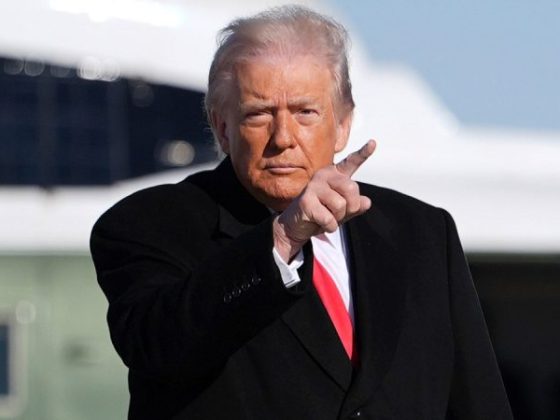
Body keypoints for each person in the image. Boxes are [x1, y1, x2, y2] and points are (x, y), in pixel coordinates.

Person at [90, 6, 512, 419]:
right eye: (259, 114)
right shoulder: (148, 224)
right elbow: (157, 347)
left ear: (343, 125)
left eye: (304, 112)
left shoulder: (422, 232)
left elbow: (476, 399)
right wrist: (283, 239)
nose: (283, 138)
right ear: (222, 127)